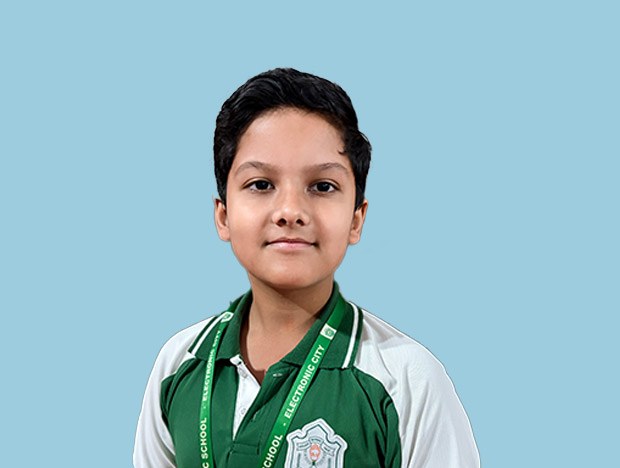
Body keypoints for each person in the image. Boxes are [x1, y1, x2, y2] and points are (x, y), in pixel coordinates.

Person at [134, 68, 480, 468]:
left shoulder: (407, 380)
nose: (290, 211)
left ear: (356, 219)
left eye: (322, 186)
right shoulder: (179, 363)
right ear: (223, 215)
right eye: (261, 184)